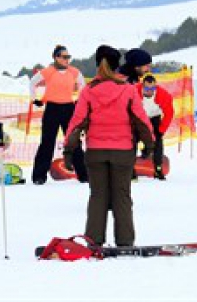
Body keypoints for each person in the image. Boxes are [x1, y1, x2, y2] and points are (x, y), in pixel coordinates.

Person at [63, 45, 154, 246]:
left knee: (97, 197)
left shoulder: (88, 91)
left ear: (97, 64)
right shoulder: (128, 90)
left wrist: (69, 151)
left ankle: (93, 240)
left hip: (95, 152)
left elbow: (76, 123)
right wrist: (149, 145)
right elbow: (141, 120)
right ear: (117, 65)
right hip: (123, 152)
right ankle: (125, 241)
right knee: (122, 196)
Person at [30, 45, 87, 185]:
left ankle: (84, 175)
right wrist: (35, 99)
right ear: (56, 57)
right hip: (52, 109)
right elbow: (32, 83)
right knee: (47, 143)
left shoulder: (74, 72)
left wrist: (79, 100)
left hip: (68, 109)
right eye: (64, 57)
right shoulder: (48, 71)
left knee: (73, 142)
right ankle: (39, 176)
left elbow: (83, 85)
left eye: (69, 57)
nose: (67, 60)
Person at [118, 47, 153, 181]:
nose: (148, 69)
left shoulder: (132, 78)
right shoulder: (122, 78)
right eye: (146, 66)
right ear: (136, 65)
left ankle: (129, 172)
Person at [136, 74, 174, 180]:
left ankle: (158, 169)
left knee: (157, 140)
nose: (149, 91)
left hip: (154, 117)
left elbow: (169, 113)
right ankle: (131, 170)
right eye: (147, 88)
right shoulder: (134, 91)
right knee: (132, 139)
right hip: (139, 118)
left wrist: (161, 130)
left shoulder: (163, 95)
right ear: (142, 86)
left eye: (152, 88)